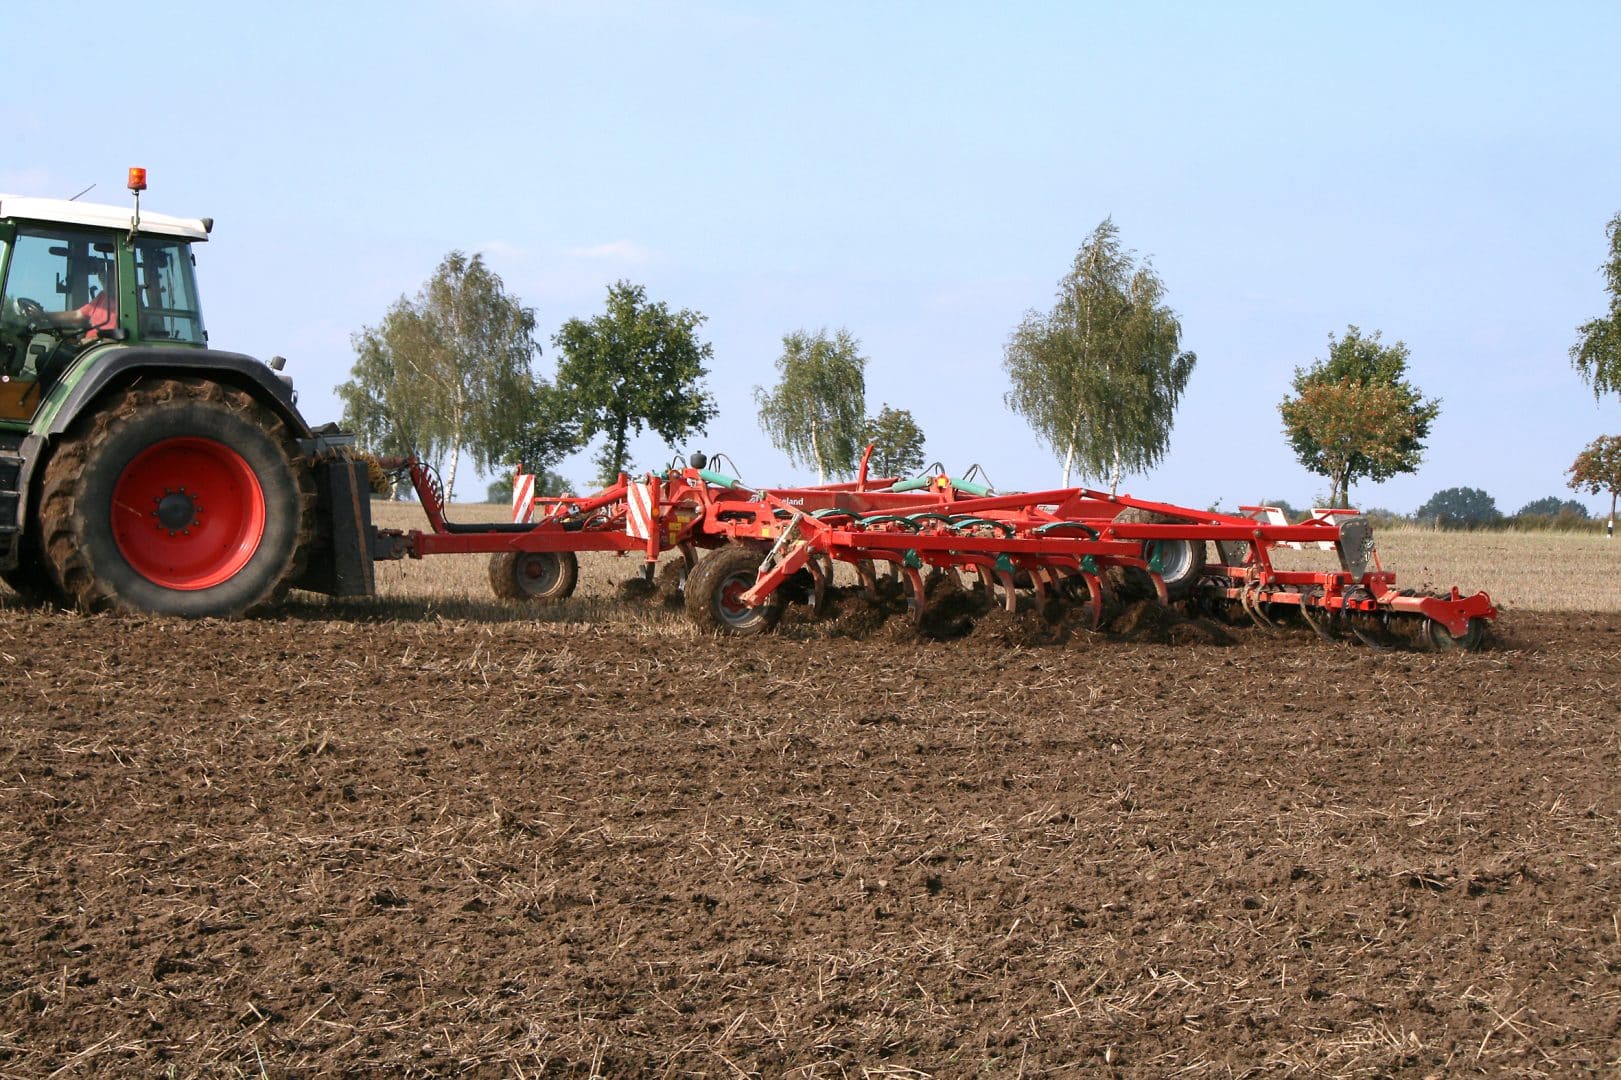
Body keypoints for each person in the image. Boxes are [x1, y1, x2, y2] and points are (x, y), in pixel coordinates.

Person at [77, 263, 117, 338]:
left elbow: (116, 335)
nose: (107, 284)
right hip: (91, 342)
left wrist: (90, 340)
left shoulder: (125, 302)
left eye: (110, 280)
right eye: (104, 280)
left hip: (103, 344)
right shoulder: (102, 296)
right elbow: (78, 315)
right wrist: (50, 316)